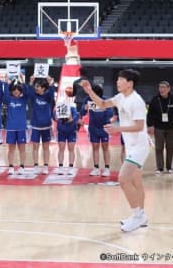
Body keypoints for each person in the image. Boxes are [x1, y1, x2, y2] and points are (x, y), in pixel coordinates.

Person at [81, 69, 149, 232]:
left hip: (139, 146)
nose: (117, 82)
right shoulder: (120, 97)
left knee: (123, 179)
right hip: (132, 145)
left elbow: (139, 126)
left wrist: (118, 129)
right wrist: (89, 91)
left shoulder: (136, 101)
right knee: (136, 182)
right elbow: (103, 104)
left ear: (130, 83)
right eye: (118, 80)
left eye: (120, 80)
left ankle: (137, 216)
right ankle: (142, 216)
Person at [146, 81, 173, 174]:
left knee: (170, 147)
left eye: (164, 87)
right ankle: (160, 167)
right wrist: (150, 125)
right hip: (158, 127)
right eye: (160, 87)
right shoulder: (154, 100)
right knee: (159, 147)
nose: (162, 89)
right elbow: (150, 114)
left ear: (168, 89)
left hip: (171, 128)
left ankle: (169, 167)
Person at [80, 85, 114, 177]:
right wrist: (85, 108)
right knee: (95, 147)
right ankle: (96, 168)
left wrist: (104, 109)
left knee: (105, 147)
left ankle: (107, 168)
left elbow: (111, 114)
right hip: (93, 128)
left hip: (104, 127)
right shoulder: (88, 99)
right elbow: (82, 112)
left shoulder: (105, 100)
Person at [26, 75, 55, 175]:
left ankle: (46, 166)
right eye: (36, 86)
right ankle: (36, 166)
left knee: (46, 147)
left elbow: (51, 93)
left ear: (43, 88)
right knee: (35, 147)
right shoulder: (34, 97)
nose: (36, 88)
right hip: (35, 126)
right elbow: (29, 92)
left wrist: (50, 83)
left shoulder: (47, 97)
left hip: (46, 126)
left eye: (38, 86)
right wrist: (31, 81)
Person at [3, 74, 28, 175]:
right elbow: (5, 95)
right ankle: (11, 166)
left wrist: (22, 81)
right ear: (12, 91)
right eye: (14, 89)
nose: (16, 91)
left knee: (22, 148)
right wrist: (5, 82)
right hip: (11, 128)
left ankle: (22, 166)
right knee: (11, 149)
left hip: (21, 128)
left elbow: (27, 92)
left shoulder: (23, 99)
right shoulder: (9, 100)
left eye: (18, 89)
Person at [54, 100, 78, 176]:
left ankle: (71, 167)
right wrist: (56, 118)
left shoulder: (73, 109)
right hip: (61, 132)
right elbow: (55, 118)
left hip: (71, 132)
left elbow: (74, 118)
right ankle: (60, 167)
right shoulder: (58, 109)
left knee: (71, 149)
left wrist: (70, 117)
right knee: (61, 149)